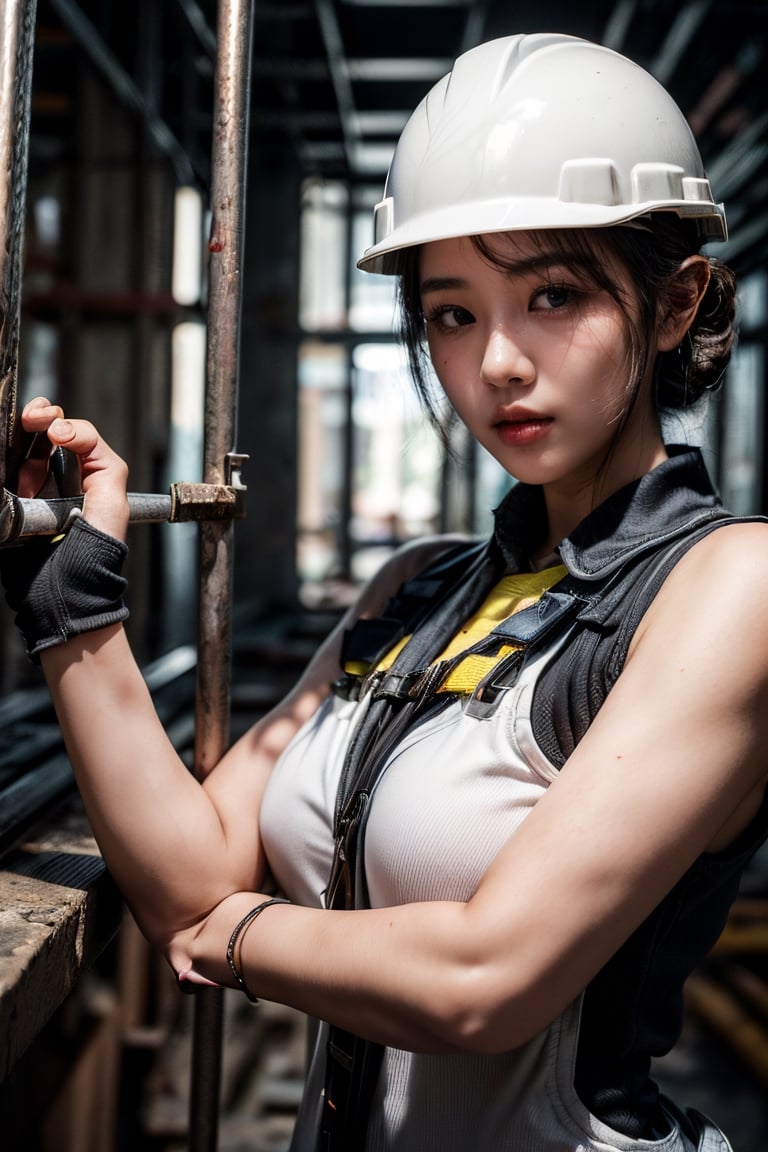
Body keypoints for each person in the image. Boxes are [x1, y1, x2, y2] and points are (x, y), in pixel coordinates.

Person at [3, 30, 768, 1152]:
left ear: (671, 302)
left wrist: (232, 937)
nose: (497, 361)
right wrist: (76, 614)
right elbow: (190, 870)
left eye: (553, 293)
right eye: (453, 312)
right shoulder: (419, 591)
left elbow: (482, 979)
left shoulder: (729, 588)